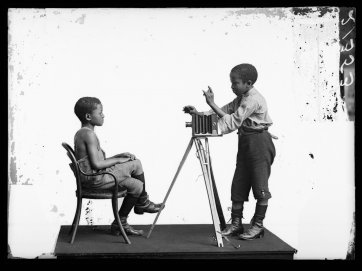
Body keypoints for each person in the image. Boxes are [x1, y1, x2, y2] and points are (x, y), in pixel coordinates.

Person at [184, 63, 276, 240]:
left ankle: (257, 226)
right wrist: (198, 114)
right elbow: (223, 112)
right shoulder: (242, 97)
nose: (232, 86)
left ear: (248, 83)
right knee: (239, 185)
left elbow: (230, 123)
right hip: (246, 142)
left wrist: (211, 102)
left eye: (235, 83)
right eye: (231, 83)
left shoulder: (252, 100)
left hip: (260, 144)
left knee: (260, 187)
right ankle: (236, 224)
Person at [73, 97, 163, 236]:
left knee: (137, 185)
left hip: (96, 176)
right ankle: (143, 202)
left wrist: (118, 156)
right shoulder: (88, 134)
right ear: (89, 116)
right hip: (97, 179)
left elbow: (95, 162)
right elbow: (97, 164)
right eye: (100, 112)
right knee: (136, 163)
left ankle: (119, 224)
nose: (103, 115)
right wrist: (119, 160)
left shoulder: (83, 133)